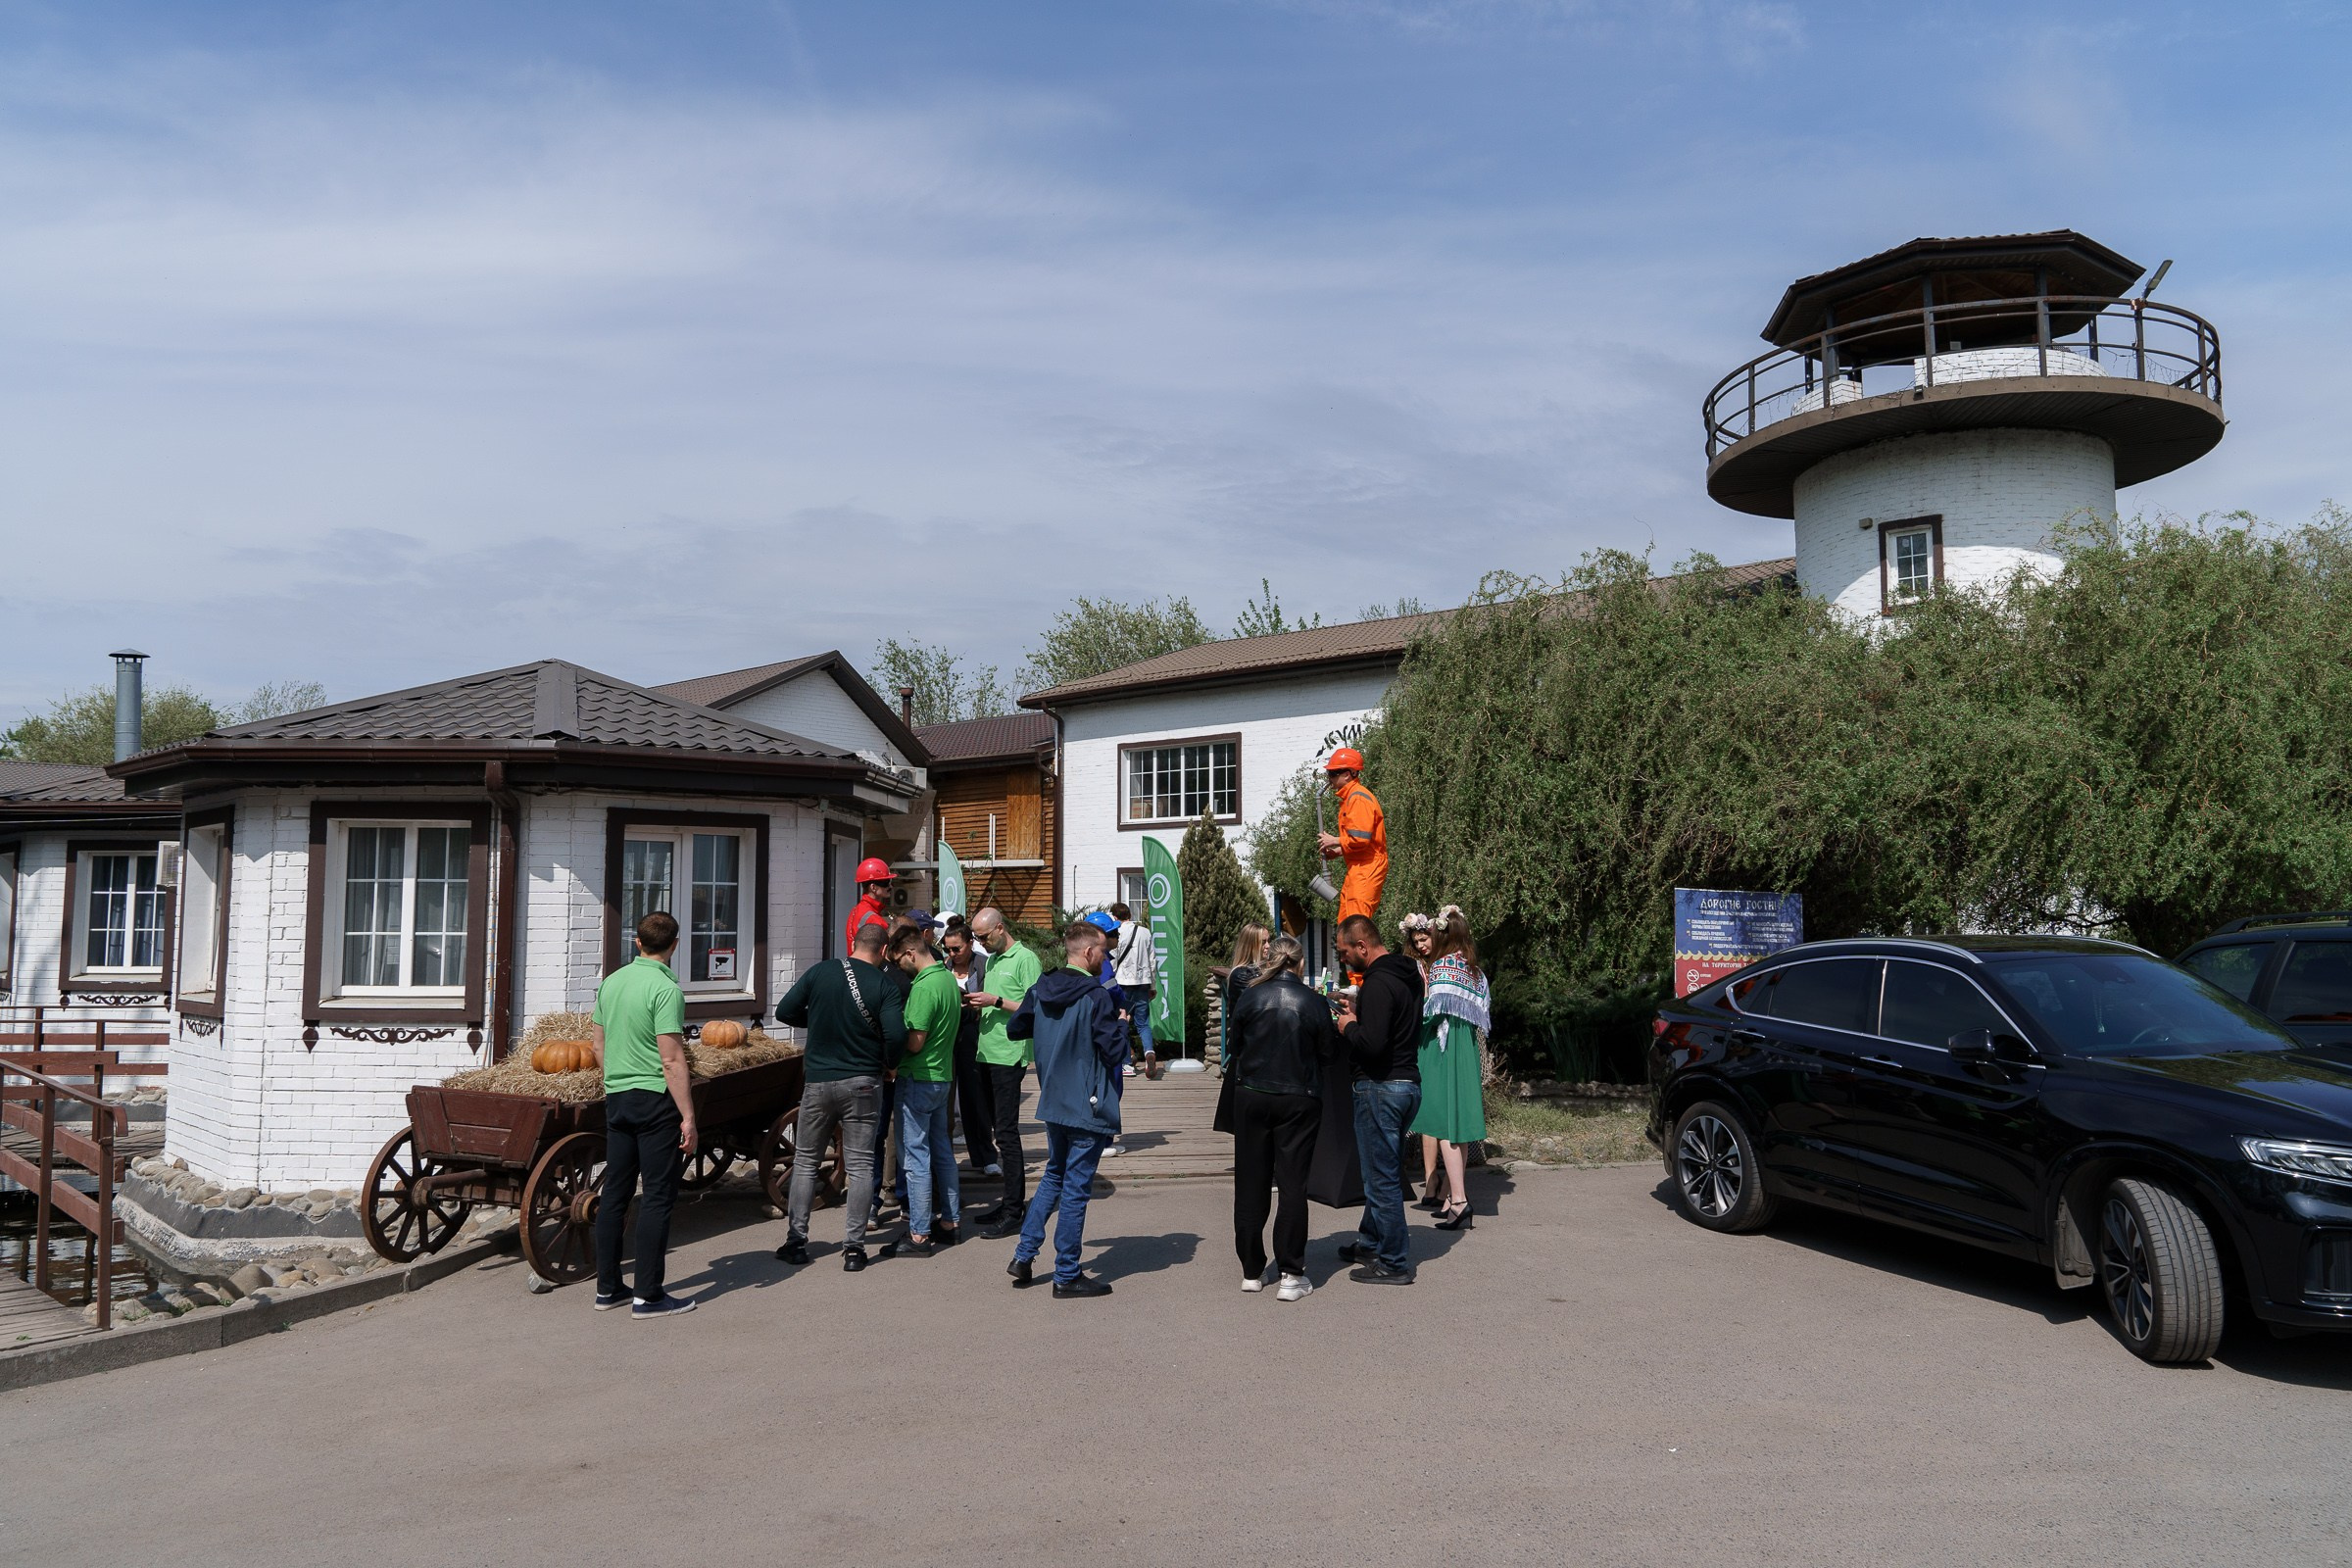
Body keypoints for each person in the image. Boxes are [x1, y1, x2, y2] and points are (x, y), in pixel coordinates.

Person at [773, 920, 906, 1272]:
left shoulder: (821, 973)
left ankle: (796, 1242)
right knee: (861, 1164)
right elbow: (895, 1035)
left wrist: (818, 1020)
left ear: (854, 944)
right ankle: (854, 1249)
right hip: (863, 1081)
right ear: (882, 951)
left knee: (805, 1161)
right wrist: (889, 1064)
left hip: (818, 1081)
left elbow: (784, 1011)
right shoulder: (884, 984)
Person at [1004, 920, 1128, 1298]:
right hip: (1085, 1103)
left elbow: (1015, 1028)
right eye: (1103, 953)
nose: (1104, 959)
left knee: (1054, 1177)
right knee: (1074, 1188)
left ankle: (1024, 1255)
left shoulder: (1041, 987)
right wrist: (1122, 1026)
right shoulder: (1096, 996)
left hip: (1053, 1098)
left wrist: (1050, 1030)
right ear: (1088, 953)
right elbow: (1113, 1051)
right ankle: (1066, 1273)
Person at [589, 910, 699, 1318]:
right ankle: (649, 1296)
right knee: (656, 1197)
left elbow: (598, 1047)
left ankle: (608, 1289)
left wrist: (616, 1080)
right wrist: (687, 1116)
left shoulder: (611, 982)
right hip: (654, 1099)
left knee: (615, 1193)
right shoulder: (666, 990)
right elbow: (671, 1059)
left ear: (637, 943)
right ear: (674, 946)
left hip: (617, 1097)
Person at [1223, 935, 1337, 1302]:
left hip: (1252, 1093)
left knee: (1251, 1181)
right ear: (1300, 964)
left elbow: (1235, 1047)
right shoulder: (1313, 1001)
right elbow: (1328, 1054)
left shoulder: (1250, 996)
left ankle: (1252, 1269)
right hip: (1298, 1098)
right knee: (1292, 1185)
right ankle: (1290, 1271)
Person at [1332, 913, 1424, 1285]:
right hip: (1407, 1084)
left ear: (1362, 946)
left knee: (1380, 1178)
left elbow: (1373, 1044)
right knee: (1382, 1168)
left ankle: (1393, 1261)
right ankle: (1371, 1241)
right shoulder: (1407, 975)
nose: (1343, 959)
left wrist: (1348, 1025)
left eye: (1343, 952)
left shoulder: (1378, 983)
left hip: (1380, 1087)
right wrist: (1361, 1017)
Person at [881, 922, 961, 1257]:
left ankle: (918, 1234)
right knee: (941, 1151)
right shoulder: (947, 979)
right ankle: (951, 1222)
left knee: (915, 1157)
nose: (900, 967)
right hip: (942, 1076)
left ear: (912, 953)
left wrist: (890, 1047)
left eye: (900, 960)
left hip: (918, 1077)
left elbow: (914, 1042)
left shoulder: (925, 987)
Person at [962, 907, 1042, 1239]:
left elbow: (1035, 1005)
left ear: (999, 928)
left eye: (983, 937)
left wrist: (995, 1001)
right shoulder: (992, 960)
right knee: (999, 1131)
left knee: (1007, 1134)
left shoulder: (1026, 959)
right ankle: (1009, 1202)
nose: (979, 943)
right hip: (987, 1051)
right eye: (976, 938)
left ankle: (1014, 1210)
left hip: (1009, 1055)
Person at [1411, 906, 1490, 1232]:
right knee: (1454, 1122)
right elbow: (1482, 1013)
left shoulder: (1443, 966)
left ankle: (1458, 1199)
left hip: (1442, 1050)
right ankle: (1452, 1198)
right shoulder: (1475, 970)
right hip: (1465, 1048)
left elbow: (1430, 1014)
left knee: (1445, 1125)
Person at [1396, 912, 1447, 1211]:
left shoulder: (1447, 965)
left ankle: (1441, 1179)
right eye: (1416, 941)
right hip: (1422, 1036)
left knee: (1440, 1106)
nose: (1421, 945)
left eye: (1425, 939)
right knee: (1428, 1107)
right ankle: (1430, 1179)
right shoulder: (1415, 967)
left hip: (1441, 1036)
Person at [943, 923, 998, 1177]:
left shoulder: (985, 965)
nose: (953, 953)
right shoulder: (942, 967)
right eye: (948, 949)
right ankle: (944, 1162)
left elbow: (996, 996)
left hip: (974, 1036)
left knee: (975, 1096)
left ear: (970, 943)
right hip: (947, 1037)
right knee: (943, 1100)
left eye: (957, 948)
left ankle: (985, 1156)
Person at [1315, 748, 1387, 928]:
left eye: (1332, 773)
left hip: (1367, 868)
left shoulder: (1358, 798)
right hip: (1358, 868)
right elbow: (1359, 843)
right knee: (1346, 925)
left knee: (1357, 926)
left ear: (1348, 774)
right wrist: (1337, 852)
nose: (1329, 779)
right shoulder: (1351, 798)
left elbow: (1361, 839)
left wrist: (1335, 840)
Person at [1108, 902, 1160, 1078]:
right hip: (1142, 983)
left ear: (1115, 917)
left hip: (1122, 983)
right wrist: (1152, 986)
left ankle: (1127, 1064)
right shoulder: (1145, 932)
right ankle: (1149, 1052)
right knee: (1143, 1023)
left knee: (1122, 1021)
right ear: (1129, 915)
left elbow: (1112, 959)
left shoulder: (1117, 933)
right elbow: (1153, 961)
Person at [1218, 921, 1271, 1076]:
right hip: (1249, 1045)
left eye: (1268, 941)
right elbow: (1261, 1001)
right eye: (1263, 942)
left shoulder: (1261, 970)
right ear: (1251, 945)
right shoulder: (1241, 974)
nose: (1268, 946)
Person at [844, 857, 895, 953]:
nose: (890, 886)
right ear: (873, 887)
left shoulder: (856, 910)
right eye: (886, 883)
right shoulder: (874, 919)